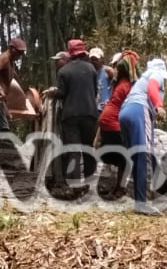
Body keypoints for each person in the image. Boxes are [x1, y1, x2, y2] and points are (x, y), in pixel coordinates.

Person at [119, 57, 167, 215]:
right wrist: (159, 106)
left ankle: (140, 201)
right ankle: (145, 202)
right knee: (145, 156)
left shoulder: (139, 81)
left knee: (138, 158)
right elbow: (152, 87)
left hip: (125, 112)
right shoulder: (155, 75)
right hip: (139, 110)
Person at [50, 39, 100, 187]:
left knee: (73, 151)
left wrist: (53, 93)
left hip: (71, 115)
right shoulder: (91, 69)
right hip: (90, 114)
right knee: (88, 150)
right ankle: (90, 184)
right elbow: (95, 91)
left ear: (70, 53)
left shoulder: (64, 71)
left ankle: (75, 185)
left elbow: (62, 93)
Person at [0, 38, 27, 190]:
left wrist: (6, 109)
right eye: (18, 52)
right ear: (11, 48)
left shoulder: (11, 62)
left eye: (22, 53)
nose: (20, 56)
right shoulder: (4, 57)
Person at [95, 53, 137, 197]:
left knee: (118, 158)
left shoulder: (119, 83)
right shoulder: (127, 85)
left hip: (108, 121)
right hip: (114, 123)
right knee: (124, 158)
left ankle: (116, 187)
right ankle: (119, 189)